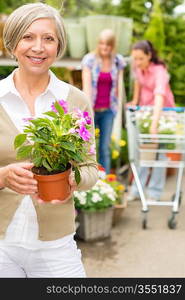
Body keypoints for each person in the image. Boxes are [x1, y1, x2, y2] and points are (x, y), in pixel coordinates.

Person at [0, 2, 98, 278]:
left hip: (56, 245)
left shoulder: (76, 100)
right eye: (28, 37)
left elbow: (90, 168)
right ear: (12, 43)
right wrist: (3, 177)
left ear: (59, 45)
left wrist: (70, 179)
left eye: (48, 38)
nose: (38, 47)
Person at [127, 40, 175, 201]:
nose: (137, 62)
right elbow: (138, 83)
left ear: (149, 56)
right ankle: (137, 190)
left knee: (160, 156)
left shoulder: (159, 71)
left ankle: (154, 192)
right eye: (135, 58)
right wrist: (134, 100)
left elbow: (159, 96)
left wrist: (155, 124)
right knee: (143, 154)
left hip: (163, 115)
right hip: (145, 114)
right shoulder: (138, 67)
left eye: (140, 58)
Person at [81, 29, 126, 174]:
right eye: (101, 44)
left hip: (108, 110)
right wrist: (88, 112)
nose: (104, 48)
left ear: (113, 46)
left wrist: (118, 106)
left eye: (107, 45)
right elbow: (87, 87)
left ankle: (105, 179)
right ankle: (88, 177)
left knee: (104, 147)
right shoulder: (89, 60)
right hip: (92, 109)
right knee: (88, 146)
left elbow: (118, 86)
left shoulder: (118, 61)